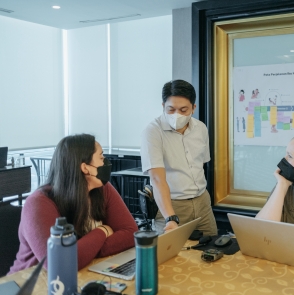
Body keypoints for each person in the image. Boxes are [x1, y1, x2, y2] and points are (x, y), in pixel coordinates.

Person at [8, 134, 138, 274]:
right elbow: (60, 263)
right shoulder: (38, 203)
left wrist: (82, 251)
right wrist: (103, 231)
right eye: (101, 158)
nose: (106, 162)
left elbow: (131, 232)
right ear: (85, 168)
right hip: (30, 284)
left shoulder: (102, 188)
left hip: (82, 274)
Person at [141, 80, 217, 236]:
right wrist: (170, 217)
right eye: (171, 109)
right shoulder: (153, 132)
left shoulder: (201, 128)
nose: (177, 115)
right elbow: (157, 179)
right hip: (172, 206)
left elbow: (200, 165)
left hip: (202, 202)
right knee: (172, 257)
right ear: (163, 106)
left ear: (193, 108)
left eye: (183, 110)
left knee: (213, 251)